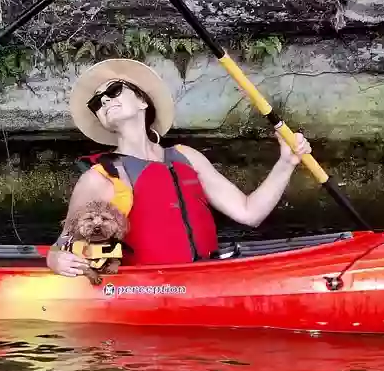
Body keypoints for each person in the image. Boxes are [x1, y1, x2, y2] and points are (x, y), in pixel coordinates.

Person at [47, 58, 312, 277]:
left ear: (143, 101)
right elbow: (62, 246)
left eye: (114, 91)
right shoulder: (101, 176)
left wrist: (286, 162)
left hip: (208, 278)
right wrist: (56, 261)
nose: (104, 101)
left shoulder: (187, 157)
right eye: (97, 102)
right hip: (148, 291)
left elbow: (249, 212)